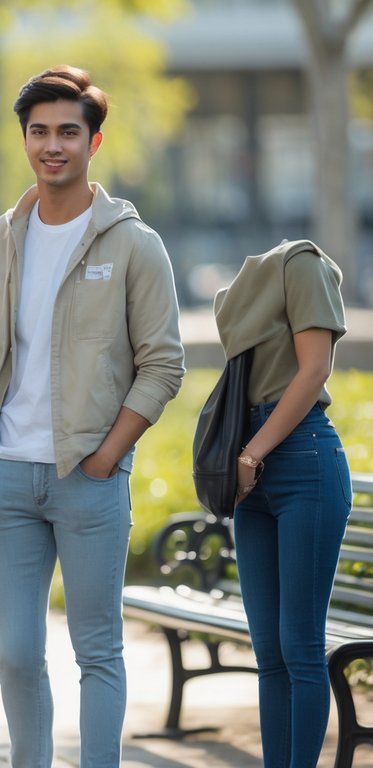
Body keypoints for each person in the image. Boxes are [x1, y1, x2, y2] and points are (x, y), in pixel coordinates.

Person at [0, 65, 184, 767]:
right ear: (23, 138)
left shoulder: (132, 244)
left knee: (97, 648)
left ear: (93, 140)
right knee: (16, 652)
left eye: (66, 131)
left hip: (90, 475)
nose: (50, 145)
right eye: (38, 132)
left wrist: (107, 453)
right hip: (5, 474)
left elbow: (163, 362)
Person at [214, 239, 350, 768]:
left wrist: (251, 454)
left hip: (304, 462)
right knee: (268, 655)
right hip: (254, 469)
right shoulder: (242, 291)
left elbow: (314, 370)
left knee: (299, 647)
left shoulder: (304, 265)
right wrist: (245, 458)